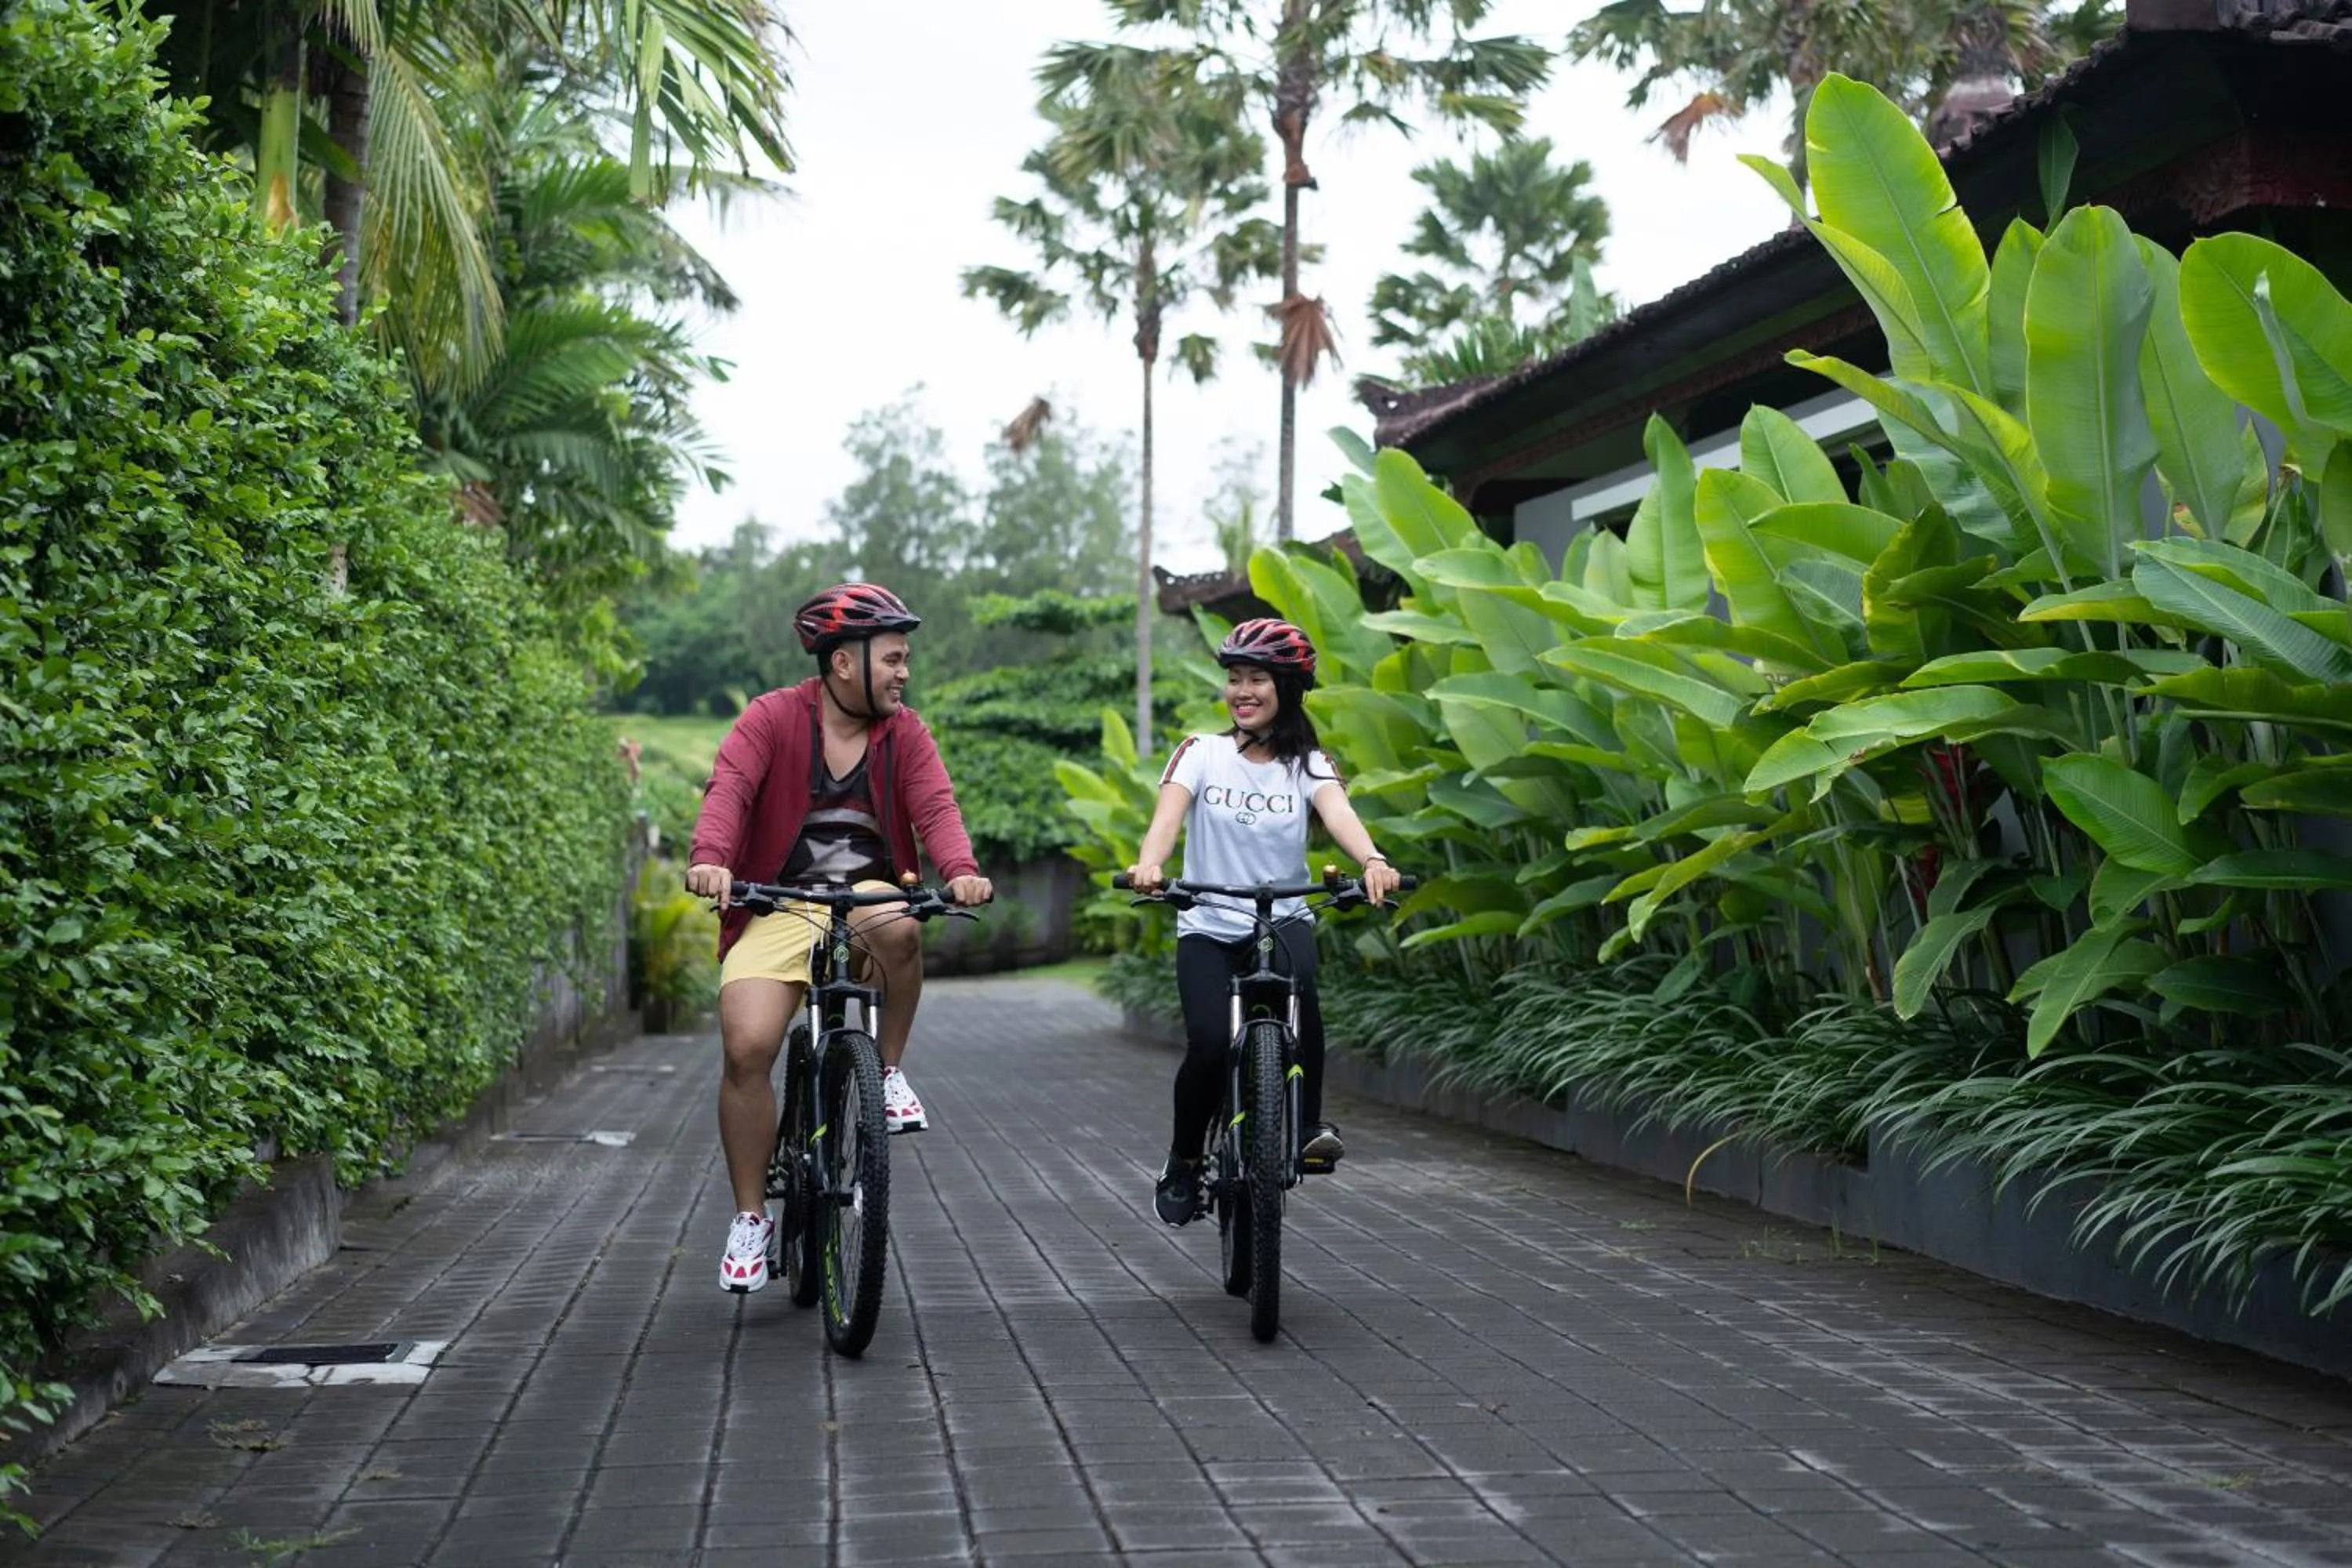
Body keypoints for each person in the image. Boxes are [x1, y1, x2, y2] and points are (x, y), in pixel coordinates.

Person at [687, 582, 993, 1293]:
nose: (903, 672)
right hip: (778, 903)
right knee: (748, 1048)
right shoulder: (771, 718)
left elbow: (936, 807)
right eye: (891, 658)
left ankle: (885, 1072)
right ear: (843, 663)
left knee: (895, 919)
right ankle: (750, 1217)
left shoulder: (905, 733)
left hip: (861, 901)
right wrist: (711, 859)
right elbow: (728, 789)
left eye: (905, 658)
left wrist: (962, 870)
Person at [1123, 618, 1402, 1226]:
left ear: (1288, 688)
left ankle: (1307, 1128)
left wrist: (1373, 861)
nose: (1242, 691)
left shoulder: (1308, 764)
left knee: (1303, 990)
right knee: (1205, 1044)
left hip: (1281, 918)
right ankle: (1186, 1160)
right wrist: (1150, 864)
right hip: (1209, 923)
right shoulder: (1203, 752)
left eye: (1258, 679)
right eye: (1234, 679)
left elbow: (1340, 813)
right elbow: (1167, 819)